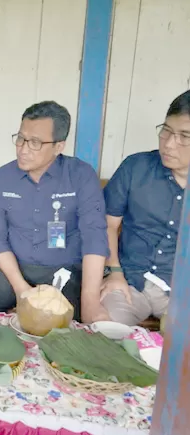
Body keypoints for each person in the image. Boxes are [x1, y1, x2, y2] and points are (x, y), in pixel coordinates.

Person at [0, 101, 110, 323]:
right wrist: (20, 288)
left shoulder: (81, 176)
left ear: (59, 146)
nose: (23, 149)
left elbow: (95, 237)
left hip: (64, 271)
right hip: (13, 268)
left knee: (70, 324)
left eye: (35, 143)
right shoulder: (3, 178)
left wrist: (91, 299)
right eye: (21, 138)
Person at [101, 90, 190, 325]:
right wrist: (114, 272)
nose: (169, 144)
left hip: (180, 293)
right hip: (129, 280)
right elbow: (107, 224)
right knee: (105, 329)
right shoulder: (136, 167)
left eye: (184, 136)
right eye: (166, 131)